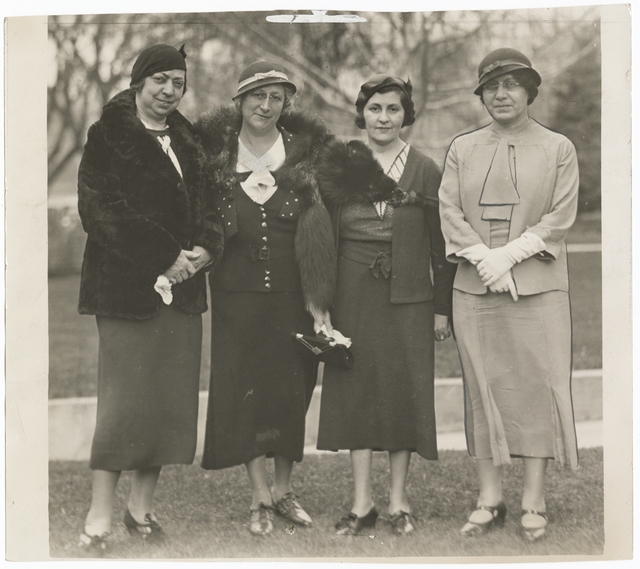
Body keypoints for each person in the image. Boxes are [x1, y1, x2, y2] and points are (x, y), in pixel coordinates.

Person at [76, 44, 223, 555]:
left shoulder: (189, 140)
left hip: (182, 294)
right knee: (123, 405)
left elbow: (210, 204)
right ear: (138, 82)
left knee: (164, 403)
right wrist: (165, 255)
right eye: (159, 80)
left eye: (177, 83)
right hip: (125, 292)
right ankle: (98, 516)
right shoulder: (108, 135)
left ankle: (140, 511)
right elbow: (99, 209)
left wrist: (204, 248)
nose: (168, 91)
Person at [438, 48, 580, 542]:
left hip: (538, 289)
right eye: (491, 87)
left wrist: (510, 257)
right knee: (484, 389)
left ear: (529, 91)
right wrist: (484, 260)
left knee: (537, 386)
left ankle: (533, 501)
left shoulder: (558, 147)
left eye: (511, 85)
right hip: (474, 290)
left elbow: (560, 217)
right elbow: (450, 212)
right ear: (481, 94)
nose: (501, 94)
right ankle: (489, 498)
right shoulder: (462, 147)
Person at [196, 61, 336, 536]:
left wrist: (320, 296)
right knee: (245, 391)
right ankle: (258, 496)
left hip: (294, 294)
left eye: (277, 97)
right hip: (237, 295)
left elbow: (322, 224)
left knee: (293, 390)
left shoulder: (304, 152)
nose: (266, 105)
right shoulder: (214, 153)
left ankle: (283, 491)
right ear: (239, 101)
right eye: (257, 95)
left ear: (286, 104)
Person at [315, 75, 457, 535]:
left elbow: (442, 246)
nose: (383, 118)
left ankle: (399, 503)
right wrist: (321, 303)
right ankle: (362, 504)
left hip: (409, 295)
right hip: (351, 293)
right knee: (356, 393)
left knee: (402, 394)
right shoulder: (338, 164)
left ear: (405, 115)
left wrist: (441, 308)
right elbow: (318, 237)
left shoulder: (425, 168)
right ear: (363, 113)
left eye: (393, 109)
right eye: (375, 108)